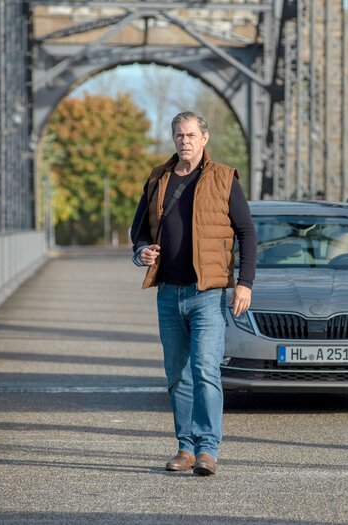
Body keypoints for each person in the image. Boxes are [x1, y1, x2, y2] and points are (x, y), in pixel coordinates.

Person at [131, 111, 257, 476]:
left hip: (208, 294)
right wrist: (142, 251)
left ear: (204, 138)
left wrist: (245, 283)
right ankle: (185, 448)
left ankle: (207, 449)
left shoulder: (224, 178)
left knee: (205, 369)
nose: (184, 141)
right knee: (178, 375)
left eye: (190, 135)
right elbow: (139, 230)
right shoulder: (158, 178)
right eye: (178, 135)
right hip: (168, 293)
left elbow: (247, 233)